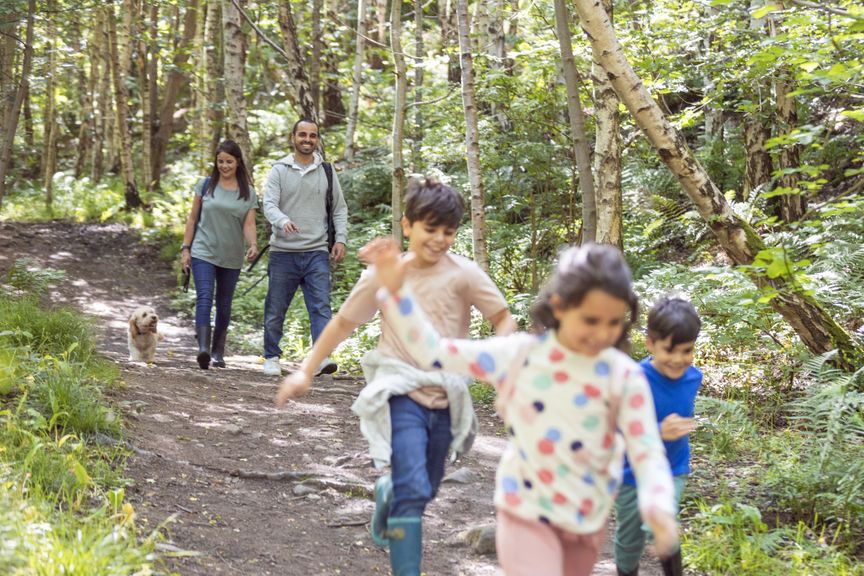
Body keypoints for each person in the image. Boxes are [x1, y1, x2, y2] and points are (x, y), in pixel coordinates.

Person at [360, 240, 679, 576]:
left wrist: (658, 508)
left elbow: (646, 450)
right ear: (559, 306)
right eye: (590, 320)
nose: (603, 334)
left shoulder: (624, 375)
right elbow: (433, 352)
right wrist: (396, 292)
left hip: (586, 521)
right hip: (524, 512)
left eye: (614, 322)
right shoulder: (520, 356)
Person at [276, 178, 516, 576]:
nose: (439, 239)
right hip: (399, 391)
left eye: (449, 231)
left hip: (447, 393)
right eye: (430, 228)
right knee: (414, 490)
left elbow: (503, 318)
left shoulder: (465, 274)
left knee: (428, 487)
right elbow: (342, 323)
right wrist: (305, 371)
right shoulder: (384, 275)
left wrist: (499, 359)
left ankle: (387, 492)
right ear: (408, 226)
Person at [614, 297, 702, 576]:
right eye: (669, 350)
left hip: (671, 469)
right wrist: (657, 431)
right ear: (651, 344)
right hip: (630, 472)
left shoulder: (693, 377)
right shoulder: (634, 379)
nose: (679, 359)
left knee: (661, 520)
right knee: (629, 544)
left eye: (686, 350)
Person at [261, 118, 348, 376]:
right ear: (293, 138)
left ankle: (320, 358)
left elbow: (339, 209)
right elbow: (269, 204)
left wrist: (340, 239)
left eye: (312, 136)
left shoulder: (327, 172)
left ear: (317, 139)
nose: (307, 140)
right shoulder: (279, 170)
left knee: (321, 306)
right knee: (276, 307)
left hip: (316, 251)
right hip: (283, 253)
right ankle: (271, 357)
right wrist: (282, 220)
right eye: (302, 135)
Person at [181, 140, 258, 370]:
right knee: (205, 296)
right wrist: (185, 249)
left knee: (224, 304)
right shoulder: (205, 186)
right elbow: (192, 219)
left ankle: (217, 351)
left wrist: (253, 244)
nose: (224, 166)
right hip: (203, 251)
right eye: (220, 161)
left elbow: (249, 224)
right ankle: (203, 349)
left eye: (229, 162)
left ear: (238, 162)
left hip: (231, 255)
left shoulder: (247, 192)